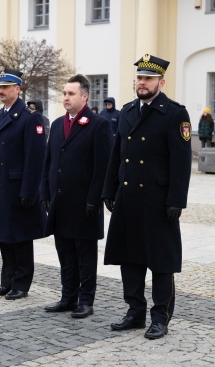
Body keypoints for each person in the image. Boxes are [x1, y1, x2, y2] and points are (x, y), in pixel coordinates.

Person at [102, 54, 192, 340]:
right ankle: (135, 312)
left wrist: (176, 200)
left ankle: (160, 318)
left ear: (160, 82)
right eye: (139, 78)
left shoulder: (175, 113)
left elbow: (182, 161)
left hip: (158, 200)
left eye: (148, 79)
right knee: (129, 259)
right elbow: (116, 156)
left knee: (162, 262)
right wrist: (108, 189)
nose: (142, 83)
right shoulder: (128, 111)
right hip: (128, 198)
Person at [40, 74, 113, 319]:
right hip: (60, 201)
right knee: (65, 253)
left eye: (71, 94)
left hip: (83, 203)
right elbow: (49, 161)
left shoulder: (99, 125)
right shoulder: (59, 123)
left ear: (84, 96)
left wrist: (95, 198)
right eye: (64, 93)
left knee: (85, 255)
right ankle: (68, 297)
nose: (66, 98)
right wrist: (45, 191)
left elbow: (102, 166)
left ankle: (86, 300)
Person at [0, 70, 46, 301]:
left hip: (17, 187)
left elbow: (36, 158)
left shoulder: (30, 118)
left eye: (7, 87)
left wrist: (30, 191)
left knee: (20, 238)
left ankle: (21, 283)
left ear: (18, 89)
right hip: (0, 186)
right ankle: (7, 280)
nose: (1, 91)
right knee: (4, 236)